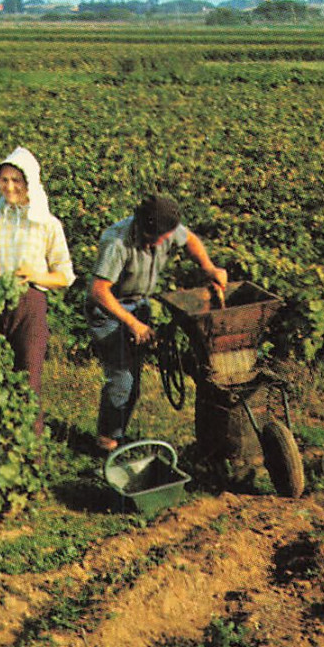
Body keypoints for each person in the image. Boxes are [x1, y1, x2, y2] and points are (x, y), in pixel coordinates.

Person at [88, 193, 228, 453]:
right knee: (122, 381)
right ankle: (106, 444)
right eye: (160, 238)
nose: (166, 242)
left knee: (133, 380)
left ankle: (117, 435)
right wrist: (132, 323)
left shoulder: (166, 228)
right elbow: (97, 291)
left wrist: (209, 268)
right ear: (144, 228)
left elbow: (190, 240)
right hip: (109, 310)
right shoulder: (117, 242)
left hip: (139, 305)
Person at [0, 146, 75, 437]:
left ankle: (27, 447)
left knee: (29, 376)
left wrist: (35, 275)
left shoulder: (47, 224)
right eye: (4, 180)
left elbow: (65, 275)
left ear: (29, 184)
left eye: (16, 181)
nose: (9, 187)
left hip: (29, 305)